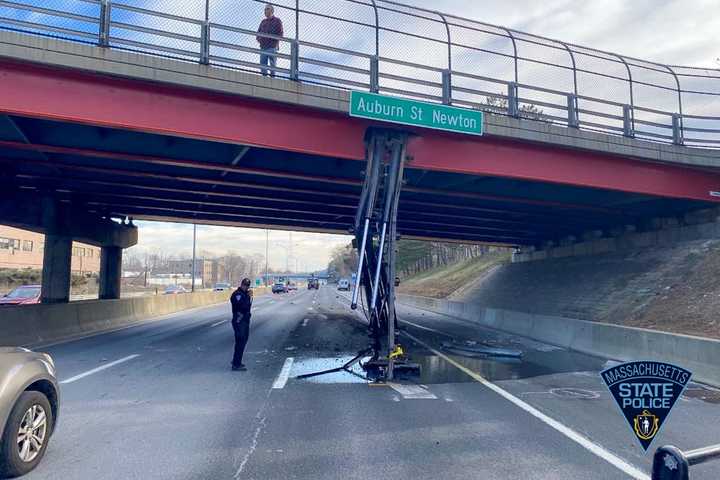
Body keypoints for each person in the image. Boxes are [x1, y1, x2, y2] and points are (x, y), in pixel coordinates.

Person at [230, 278, 254, 371]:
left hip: (245, 320)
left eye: (247, 286)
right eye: (244, 285)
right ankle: (236, 364)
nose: (246, 287)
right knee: (240, 341)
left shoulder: (244, 294)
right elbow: (243, 307)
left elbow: (248, 307)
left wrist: (249, 297)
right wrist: (249, 297)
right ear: (241, 285)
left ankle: (237, 361)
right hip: (239, 321)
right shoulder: (237, 295)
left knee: (242, 342)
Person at [256, 4, 283, 77]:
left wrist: (274, 41)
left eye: (267, 9)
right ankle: (264, 78)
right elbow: (258, 34)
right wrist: (260, 40)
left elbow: (280, 33)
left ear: (272, 11)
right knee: (263, 64)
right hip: (263, 47)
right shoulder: (263, 22)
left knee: (272, 65)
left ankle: (272, 79)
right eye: (265, 9)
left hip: (272, 46)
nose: (265, 11)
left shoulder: (277, 21)